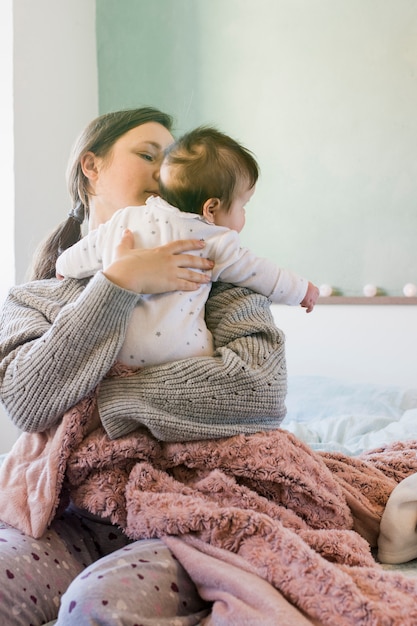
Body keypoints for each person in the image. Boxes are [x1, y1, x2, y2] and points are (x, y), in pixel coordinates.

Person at [0, 107, 291, 625]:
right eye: (147, 154)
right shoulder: (33, 299)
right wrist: (117, 284)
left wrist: (108, 400)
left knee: (95, 607)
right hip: (68, 517)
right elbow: (28, 401)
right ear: (91, 166)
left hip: (191, 511)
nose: (164, 171)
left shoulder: (214, 276)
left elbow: (260, 390)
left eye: (172, 159)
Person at [56, 126, 319, 368]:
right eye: (243, 206)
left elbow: (85, 252)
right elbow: (261, 272)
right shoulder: (213, 240)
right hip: (183, 358)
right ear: (211, 208)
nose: (157, 172)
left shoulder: (125, 220)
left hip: (118, 354)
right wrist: (301, 290)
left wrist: (62, 266)